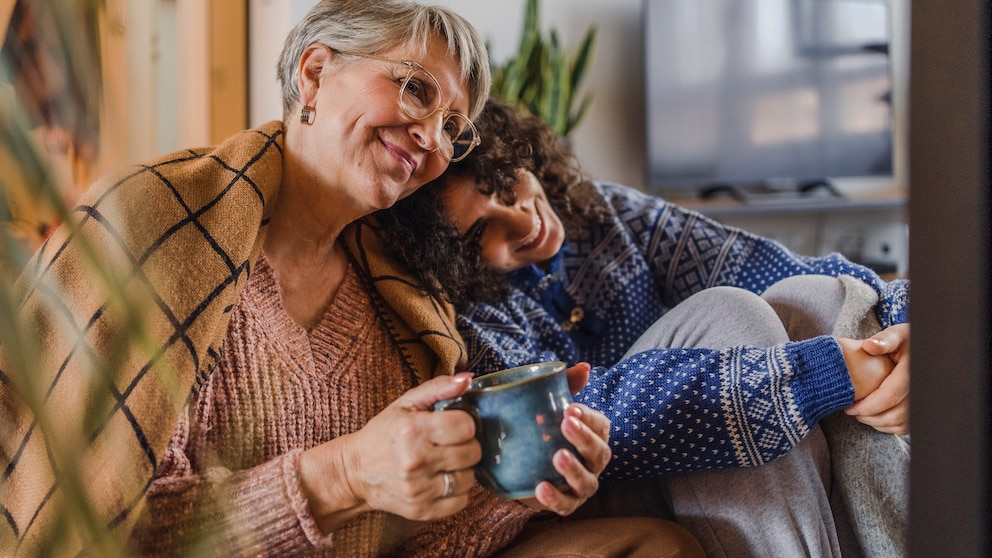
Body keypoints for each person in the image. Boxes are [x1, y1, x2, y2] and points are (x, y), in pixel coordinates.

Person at [0, 3, 705, 557]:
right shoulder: (150, 223)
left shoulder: (403, 294)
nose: (432, 137)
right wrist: (340, 476)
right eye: (415, 88)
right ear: (312, 74)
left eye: (454, 125)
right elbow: (91, 530)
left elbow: (420, 542)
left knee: (656, 542)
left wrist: (524, 476)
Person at [377, 98, 911, 557]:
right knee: (729, 316)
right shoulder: (469, 319)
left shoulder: (602, 212)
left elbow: (781, 267)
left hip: (727, 450)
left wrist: (910, 332)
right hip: (603, 480)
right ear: (452, 263)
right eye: (480, 235)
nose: (522, 218)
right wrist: (814, 374)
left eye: (502, 185)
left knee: (812, 297)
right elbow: (575, 423)